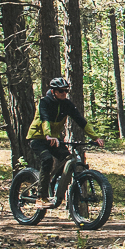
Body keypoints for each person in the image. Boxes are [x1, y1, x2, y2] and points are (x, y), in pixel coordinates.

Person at [27, 77, 93, 206]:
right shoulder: (44, 102)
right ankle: (41, 196)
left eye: (66, 91)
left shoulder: (66, 104)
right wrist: (48, 135)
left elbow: (81, 121)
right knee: (47, 160)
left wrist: (96, 137)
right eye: (60, 91)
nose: (64, 93)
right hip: (38, 138)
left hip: (53, 139)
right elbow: (44, 119)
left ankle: (54, 183)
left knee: (68, 159)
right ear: (53, 91)